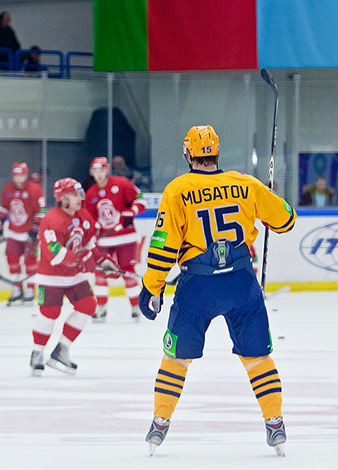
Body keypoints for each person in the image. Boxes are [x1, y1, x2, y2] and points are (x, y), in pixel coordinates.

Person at [138, 125, 296, 457]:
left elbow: (163, 246)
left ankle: (160, 423)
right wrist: (270, 198)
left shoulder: (178, 189)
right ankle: (275, 423)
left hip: (197, 286)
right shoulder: (246, 184)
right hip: (241, 282)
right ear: (216, 152)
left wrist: (152, 286)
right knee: (257, 357)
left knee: (176, 358)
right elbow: (286, 220)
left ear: (188, 154)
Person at [30, 178, 119, 376]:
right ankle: (37, 353)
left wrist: (102, 260)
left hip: (74, 276)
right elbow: (55, 254)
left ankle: (61, 350)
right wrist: (82, 260)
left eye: (80, 193)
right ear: (62, 198)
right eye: (74, 194)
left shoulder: (84, 215)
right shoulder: (52, 219)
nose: (80, 197)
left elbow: (88, 244)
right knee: (50, 314)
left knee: (88, 305)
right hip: (51, 276)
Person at [84, 156, 146, 322]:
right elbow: (90, 219)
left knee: (128, 271)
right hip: (105, 240)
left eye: (101, 170)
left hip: (126, 237)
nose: (98, 175)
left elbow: (141, 200)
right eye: (95, 171)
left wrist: (132, 211)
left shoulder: (122, 183)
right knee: (100, 272)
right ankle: (101, 307)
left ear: (107, 170)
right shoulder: (90, 194)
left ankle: (135, 307)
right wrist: (93, 230)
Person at [1, 162, 45, 305]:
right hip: (13, 233)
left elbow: (42, 211)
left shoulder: (35, 189)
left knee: (30, 262)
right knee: (12, 260)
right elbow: (4, 211)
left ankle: (31, 289)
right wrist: (0, 228)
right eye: (15, 175)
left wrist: (34, 229)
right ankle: (17, 289)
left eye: (21, 175)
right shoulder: (7, 189)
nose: (18, 178)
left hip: (30, 233)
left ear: (26, 175)